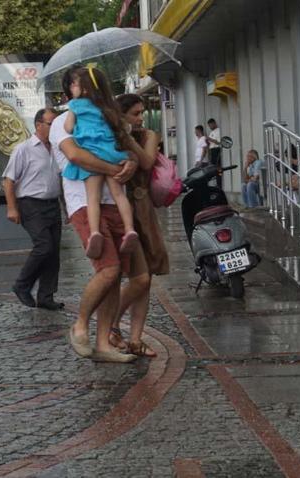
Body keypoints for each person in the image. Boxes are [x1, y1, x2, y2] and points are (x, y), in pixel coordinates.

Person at [52, 69, 142, 363]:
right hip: (83, 202)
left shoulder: (107, 115)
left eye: (83, 82)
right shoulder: (60, 121)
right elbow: (77, 156)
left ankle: (103, 343)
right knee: (109, 269)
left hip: (115, 203)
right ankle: (80, 323)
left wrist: (129, 162)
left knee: (116, 277)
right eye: (74, 83)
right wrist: (115, 168)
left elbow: (130, 151)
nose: (80, 87)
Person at [106, 93, 170, 358]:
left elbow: (146, 161)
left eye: (142, 112)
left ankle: (134, 337)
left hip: (143, 208)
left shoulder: (149, 136)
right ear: (120, 115)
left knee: (147, 278)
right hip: (120, 208)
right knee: (136, 277)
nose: (141, 118)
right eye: (135, 113)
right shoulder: (110, 137)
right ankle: (110, 324)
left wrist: (129, 135)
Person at [61, 66, 139, 260]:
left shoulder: (76, 105)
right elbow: (124, 128)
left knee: (92, 198)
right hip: (112, 154)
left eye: (75, 84)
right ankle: (129, 230)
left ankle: (95, 233)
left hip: (92, 155)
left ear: (84, 89)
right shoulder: (108, 106)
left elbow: (68, 128)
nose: (72, 88)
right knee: (119, 195)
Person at [3, 108, 64, 310]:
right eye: (51, 123)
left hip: (52, 204)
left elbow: (60, 179)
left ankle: (46, 296)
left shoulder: (57, 148)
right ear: (38, 125)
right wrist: (12, 208)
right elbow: (9, 180)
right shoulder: (24, 149)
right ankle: (22, 285)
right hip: (31, 203)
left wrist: (66, 207)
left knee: (53, 252)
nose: (55, 127)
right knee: (44, 246)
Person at [206, 118, 223, 188]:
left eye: (211, 125)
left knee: (218, 167)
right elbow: (210, 143)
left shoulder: (218, 131)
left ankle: (219, 184)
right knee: (213, 169)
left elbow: (219, 142)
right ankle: (216, 183)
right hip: (212, 151)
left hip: (217, 150)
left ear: (214, 123)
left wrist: (209, 139)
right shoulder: (211, 133)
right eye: (209, 126)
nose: (210, 127)